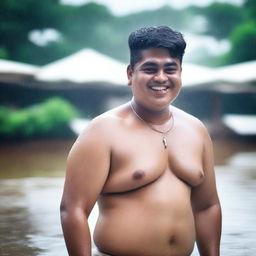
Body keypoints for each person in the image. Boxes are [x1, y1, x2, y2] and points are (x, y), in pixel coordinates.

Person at [60, 25, 222, 256]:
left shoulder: (196, 129)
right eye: (149, 68)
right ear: (130, 74)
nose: (160, 77)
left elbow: (208, 207)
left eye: (170, 69)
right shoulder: (103, 130)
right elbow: (73, 210)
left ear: (180, 73)